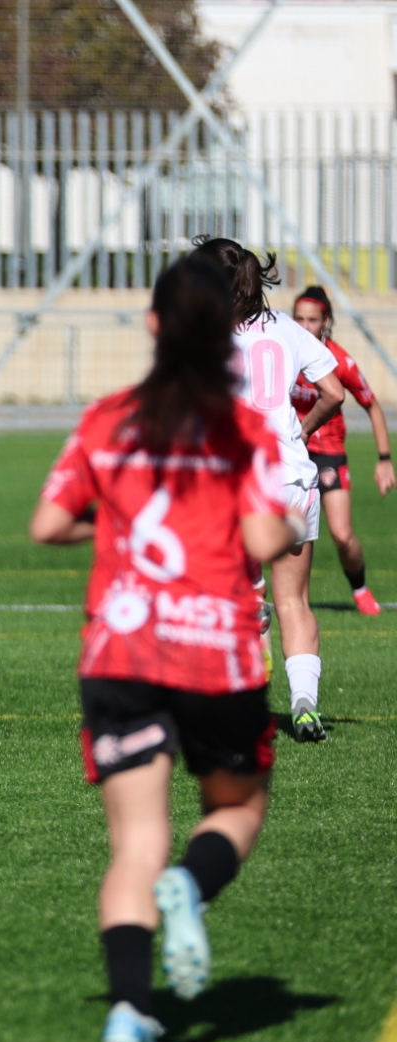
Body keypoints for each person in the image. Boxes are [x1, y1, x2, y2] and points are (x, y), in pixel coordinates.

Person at [29, 257, 304, 1042]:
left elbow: (48, 524)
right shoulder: (240, 427)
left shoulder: (107, 417)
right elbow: (262, 539)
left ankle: (126, 1014)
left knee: (133, 846)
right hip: (212, 652)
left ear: (151, 327)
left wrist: (112, 533)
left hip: (120, 650)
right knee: (238, 808)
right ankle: (195, 884)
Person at [189, 238, 344, 743]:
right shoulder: (288, 331)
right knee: (295, 600)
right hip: (293, 481)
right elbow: (334, 392)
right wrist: (302, 429)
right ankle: (304, 707)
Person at [290, 286, 394, 615]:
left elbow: (373, 406)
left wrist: (384, 460)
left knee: (342, 534)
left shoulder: (339, 360)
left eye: (312, 320)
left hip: (328, 452)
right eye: (298, 319)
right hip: (291, 451)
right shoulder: (284, 353)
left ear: (327, 322)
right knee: (281, 530)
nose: (304, 326)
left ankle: (360, 588)